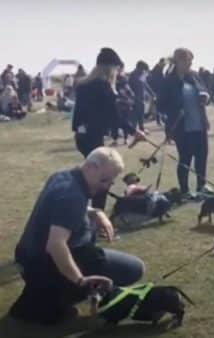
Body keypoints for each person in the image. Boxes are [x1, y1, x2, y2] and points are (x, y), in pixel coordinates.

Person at [9, 147, 145, 325]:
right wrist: (81, 280)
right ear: (90, 167)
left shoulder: (64, 176)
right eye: (104, 179)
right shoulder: (72, 195)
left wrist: (95, 212)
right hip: (45, 263)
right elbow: (56, 245)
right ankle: (56, 297)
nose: (106, 186)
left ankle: (49, 297)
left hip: (28, 257)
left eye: (111, 182)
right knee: (134, 269)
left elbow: (60, 209)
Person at [72, 47, 141, 210]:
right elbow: (115, 117)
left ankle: (90, 214)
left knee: (94, 176)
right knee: (103, 179)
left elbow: (78, 116)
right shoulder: (104, 87)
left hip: (82, 137)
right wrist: (134, 131)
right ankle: (96, 219)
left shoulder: (83, 85)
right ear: (110, 68)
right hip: (93, 137)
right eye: (116, 69)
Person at [159, 48, 214, 199]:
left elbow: (204, 91)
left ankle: (201, 186)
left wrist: (205, 97)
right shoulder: (169, 81)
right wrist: (176, 109)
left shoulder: (194, 76)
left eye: (191, 61)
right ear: (177, 61)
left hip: (199, 124)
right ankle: (184, 190)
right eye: (187, 61)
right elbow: (161, 105)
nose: (190, 63)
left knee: (201, 156)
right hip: (181, 126)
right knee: (185, 158)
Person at [129, 61, 151, 133]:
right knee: (135, 115)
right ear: (139, 68)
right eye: (143, 69)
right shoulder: (133, 75)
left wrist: (152, 94)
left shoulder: (142, 74)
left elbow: (146, 85)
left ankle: (142, 128)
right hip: (135, 98)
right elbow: (130, 87)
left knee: (141, 114)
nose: (143, 71)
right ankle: (133, 130)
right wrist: (133, 97)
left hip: (142, 98)